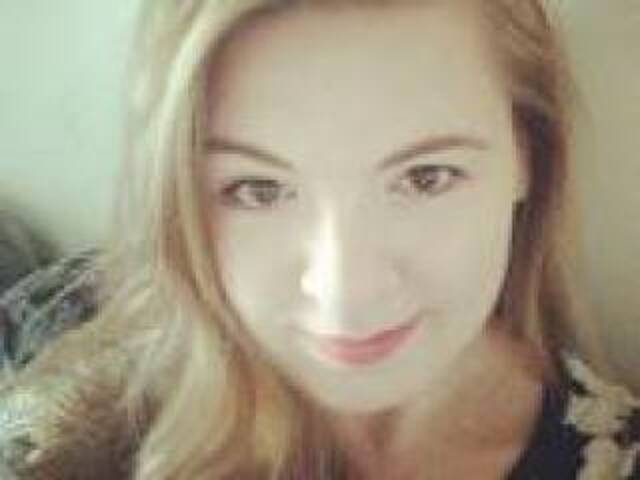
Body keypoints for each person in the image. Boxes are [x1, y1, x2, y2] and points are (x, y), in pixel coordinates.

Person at [0, 0, 638, 479]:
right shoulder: (64, 343)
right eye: (258, 189)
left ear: (529, 158)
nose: (346, 296)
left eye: (425, 177)